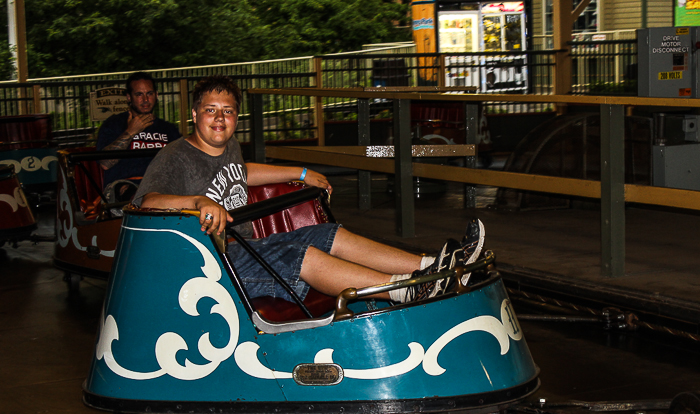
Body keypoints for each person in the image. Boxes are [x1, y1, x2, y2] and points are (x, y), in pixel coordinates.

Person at [132, 75, 484, 304]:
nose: (220, 118)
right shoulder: (174, 156)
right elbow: (146, 201)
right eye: (211, 110)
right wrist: (197, 201)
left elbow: (242, 173)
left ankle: (431, 266)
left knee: (327, 234)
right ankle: (404, 290)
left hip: (249, 248)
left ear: (236, 118)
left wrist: (301, 172)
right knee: (306, 257)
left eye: (228, 111)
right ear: (194, 115)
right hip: (214, 263)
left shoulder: (229, 146)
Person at [96, 71, 181, 202]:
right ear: (129, 97)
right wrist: (130, 132)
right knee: (134, 193)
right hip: (125, 187)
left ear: (156, 95)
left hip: (162, 186)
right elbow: (105, 164)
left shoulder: (168, 129)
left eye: (149, 94)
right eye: (139, 94)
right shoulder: (114, 124)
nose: (145, 100)